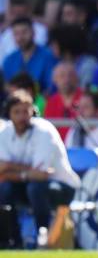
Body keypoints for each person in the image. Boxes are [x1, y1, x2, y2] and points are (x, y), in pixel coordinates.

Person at [0, 90, 81, 243]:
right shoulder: (4, 132)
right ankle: (13, 241)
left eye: (26, 111)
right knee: (4, 188)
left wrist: (10, 167)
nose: (22, 117)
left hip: (63, 188)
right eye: (16, 112)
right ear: (8, 114)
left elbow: (42, 175)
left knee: (35, 187)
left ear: (34, 111)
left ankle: (43, 239)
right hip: (28, 186)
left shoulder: (44, 131)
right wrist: (26, 172)